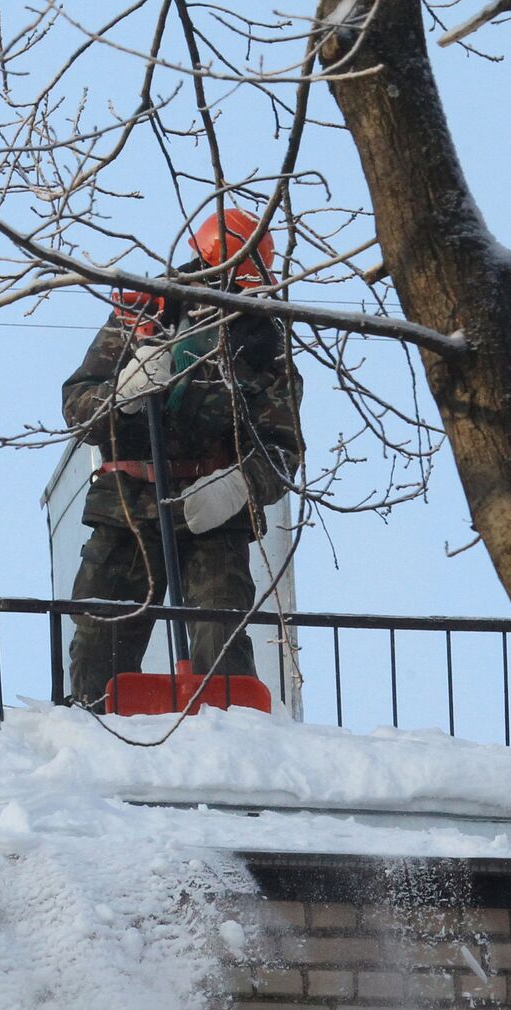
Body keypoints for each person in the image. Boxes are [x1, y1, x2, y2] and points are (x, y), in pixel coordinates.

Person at [61, 208, 304, 710]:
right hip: (127, 507)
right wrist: (121, 395)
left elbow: (283, 450)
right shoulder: (141, 313)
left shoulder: (265, 343)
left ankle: (230, 753)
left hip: (210, 513)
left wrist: (239, 485)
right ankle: (93, 743)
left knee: (221, 645)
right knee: (98, 647)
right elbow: (78, 407)